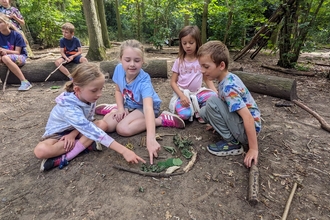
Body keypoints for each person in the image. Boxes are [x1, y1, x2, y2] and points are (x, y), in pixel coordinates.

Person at [34, 62, 145, 172]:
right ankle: (79, 149)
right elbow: (92, 130)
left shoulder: (89, 98)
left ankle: (67, 155)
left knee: (102, 125)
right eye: (94, 90)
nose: (99, 94)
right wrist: (124, 151)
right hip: (57, 135)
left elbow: (88, 120)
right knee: (41, 151)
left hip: (77, 130)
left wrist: (73, 134)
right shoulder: (68, 108)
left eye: (101, 88)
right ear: (77, 89)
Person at [95, 39, 185, 164]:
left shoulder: (144, 81)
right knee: (109, 126)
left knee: (122, 129)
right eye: (127, 60)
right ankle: (116, 107)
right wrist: (121, 108)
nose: (132, 64)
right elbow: (117, 90)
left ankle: (161, 120)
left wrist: (151, 138)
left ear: (142, 61)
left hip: (145, 107)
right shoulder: (119, 69)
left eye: (137, 60)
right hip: (127, 104)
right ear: (121, 59)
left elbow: (148, 108)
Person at [197, 41, 261, 168]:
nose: (202, 70)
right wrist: (216, 121)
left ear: (221, 65)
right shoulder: (226, 79)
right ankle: (230, 134)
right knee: (204, 111)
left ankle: (233, 143)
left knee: (211, 101)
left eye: (206, 66)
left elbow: (247, 117)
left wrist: (253, 148)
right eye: (201, 66)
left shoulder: (228, 87)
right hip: (240, 124)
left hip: (247, 130)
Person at [169, 25, 217, 123]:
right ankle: (188, 109)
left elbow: (206, 79)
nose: (188, 46)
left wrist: (216, 92)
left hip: (197, 93)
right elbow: (173, 82)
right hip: (182, 94)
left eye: (191, 43)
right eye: (184, 43)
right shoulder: (179, 61)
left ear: (197, 42)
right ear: (181, 44)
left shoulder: (201, 61)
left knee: (214, 96)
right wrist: (181, 96)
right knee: (185, 116)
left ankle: (198, 109)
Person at [0, 13, 31, 91]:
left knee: (5, 58)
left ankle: (24, 81)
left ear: (7, 23)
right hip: (5, 56)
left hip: (20, 57)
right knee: (4, 57)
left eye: (0, 22)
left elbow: (17, 52)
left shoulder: (17, 35)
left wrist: (5, 51)